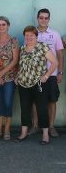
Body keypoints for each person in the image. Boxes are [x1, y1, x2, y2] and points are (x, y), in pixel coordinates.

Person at [15, 26, 58, 145]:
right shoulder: (23, 48)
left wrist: (46, 76)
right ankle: (23, 132)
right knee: (25, 108)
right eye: (27, 35)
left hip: (38, 83)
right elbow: (21, 65)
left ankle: (45, 134)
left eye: (31, 35)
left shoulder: (42, 47)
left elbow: (55, 62)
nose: (29, 37)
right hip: (23, 83)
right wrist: (17, 76)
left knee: (42, 108)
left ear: (36, 36)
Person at [29, 9, 64, 137]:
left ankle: (51, 127)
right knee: (34, 101)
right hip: (34, 75)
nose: (43, 20)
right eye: (41, 17)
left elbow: (60, 54)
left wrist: (60, 71)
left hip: (52, 74)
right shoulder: (32, 34)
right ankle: (35, 126)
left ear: (49, 19)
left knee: (52, 101)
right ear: (37, 18)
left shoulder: (55, 34)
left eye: (46, 18)